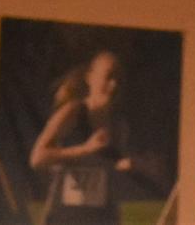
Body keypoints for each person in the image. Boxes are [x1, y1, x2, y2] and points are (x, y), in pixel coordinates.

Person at [30, 50, 131, 225]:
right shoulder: (73, 113)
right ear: (90, 78)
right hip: (64, 218)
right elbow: (37, 158)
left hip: (100, 219)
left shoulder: (119, 125)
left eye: (118, 79)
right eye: (108, 77)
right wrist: (84, 149)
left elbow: (110, 180)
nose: (113, 84)